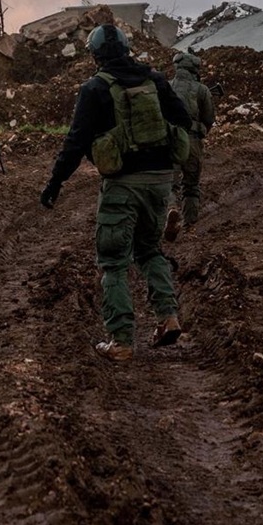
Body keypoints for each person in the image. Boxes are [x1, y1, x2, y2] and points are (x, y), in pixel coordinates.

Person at [39, 25, 192, 362]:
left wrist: (55, 182)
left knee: (113, 262)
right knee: (150, 251)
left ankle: (121, 341)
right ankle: (168, 317)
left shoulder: (94, 88)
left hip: (122, 185)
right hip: (161, 182)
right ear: (126, 49)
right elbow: (184, 120)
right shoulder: (155, 80)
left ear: (95, 55)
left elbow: (76, 142)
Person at [165, 51, 215, 240]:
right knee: (191, 186)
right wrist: (200, 132)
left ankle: (171, 208)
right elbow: (209, 118)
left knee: (169, 183)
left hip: (171, 139)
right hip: (193, 141)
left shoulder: (167, 87)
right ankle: (189, 227)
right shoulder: (202, 90)